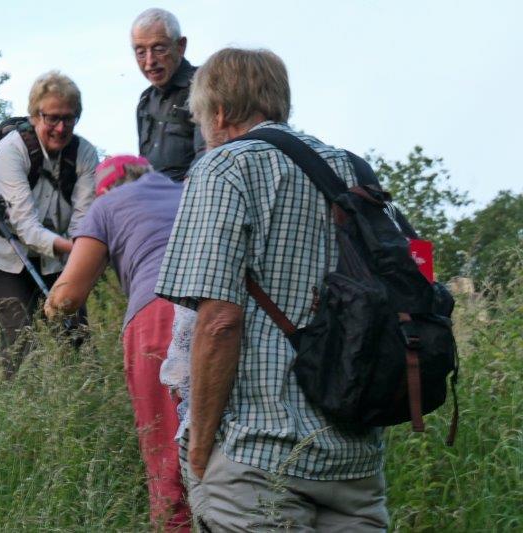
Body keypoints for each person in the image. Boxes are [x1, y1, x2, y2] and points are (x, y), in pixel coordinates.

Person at [155, 48, 389, 531]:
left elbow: (219, 322)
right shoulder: (355, 172)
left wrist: (199, 449)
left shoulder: (224, 168)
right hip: (355, 460)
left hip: (258, 457)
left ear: (218, 112)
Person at [43, 155, 191, 532]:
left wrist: (51, 306)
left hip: (157, 318)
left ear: (106, 187)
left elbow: (67, 298)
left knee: (167, 455)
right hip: (223, 311)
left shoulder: (106, 205)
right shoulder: (187, 190)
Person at [0, 71, 99, 378]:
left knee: (78, 342)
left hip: (56, 261)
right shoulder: (12, 149)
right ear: (34, 115)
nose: (61, 127)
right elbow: (25, 226)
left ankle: (83, 408)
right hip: (0, 257)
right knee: (21, 342)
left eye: (69, 118)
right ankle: (11, 411)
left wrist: (81, 253)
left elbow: (84, 221)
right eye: (52, 118)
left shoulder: (86, 154)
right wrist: (81, 252)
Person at [131, 8, 204, 180]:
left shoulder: (203, 87)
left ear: (180, 46)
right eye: (141, 52)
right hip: (151, 200)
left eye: (159, 48)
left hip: (192, 198)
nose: (149, 62)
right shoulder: (145, 101)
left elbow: (208, 153)